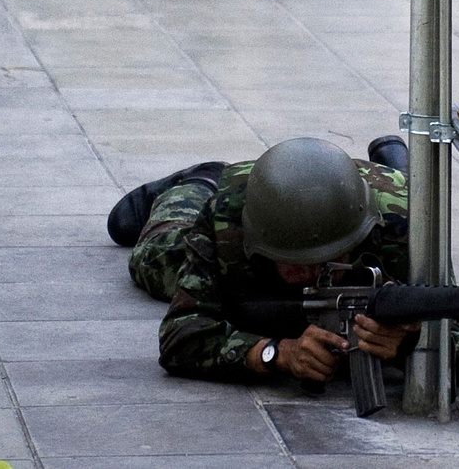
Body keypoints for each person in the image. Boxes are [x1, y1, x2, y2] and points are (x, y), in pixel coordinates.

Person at [108, 137, 419, 385]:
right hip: (247, 196)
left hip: (372, 196)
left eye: (329, 262)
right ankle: (201, 178)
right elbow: (181, 336)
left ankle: (398, 171)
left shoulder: (402, 227)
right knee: (156, 261)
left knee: (408, 191)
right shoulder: (228, 221)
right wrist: (274, 353)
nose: (312, 275)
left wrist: (408, 346)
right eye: (294, 262)